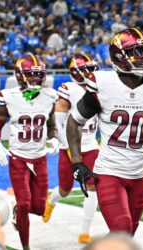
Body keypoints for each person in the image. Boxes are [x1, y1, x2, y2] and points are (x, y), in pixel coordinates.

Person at [67, 28, 143, 235]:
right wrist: (77, 162)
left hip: (139, 175)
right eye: (136, 53)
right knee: (122, 228)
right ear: (119, 57)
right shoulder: (103, 83)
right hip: (109, 172)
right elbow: (74, 121)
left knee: (128, 235)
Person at [0, 54, 59, 250]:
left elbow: (52, 124)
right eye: (31, 76)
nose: (36, 80)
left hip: (40, 159)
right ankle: (26, 246)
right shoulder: (9, 97)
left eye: (39, 76)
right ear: (21, 76)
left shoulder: (50, 97)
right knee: (26, 203)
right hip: (18, 158)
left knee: (38, 208)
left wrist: (53, 137)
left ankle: (16, 208)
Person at [42, 54, 100, 244]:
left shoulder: (100, 87)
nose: (92, 73)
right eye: (88, 69)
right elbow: (58, 120)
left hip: (91, 144)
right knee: (65, 189)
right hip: (70, 145)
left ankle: (85, 232)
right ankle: (51, 201)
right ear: (78, 73)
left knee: (92, 186)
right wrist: (65, 145)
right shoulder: (69, 89)